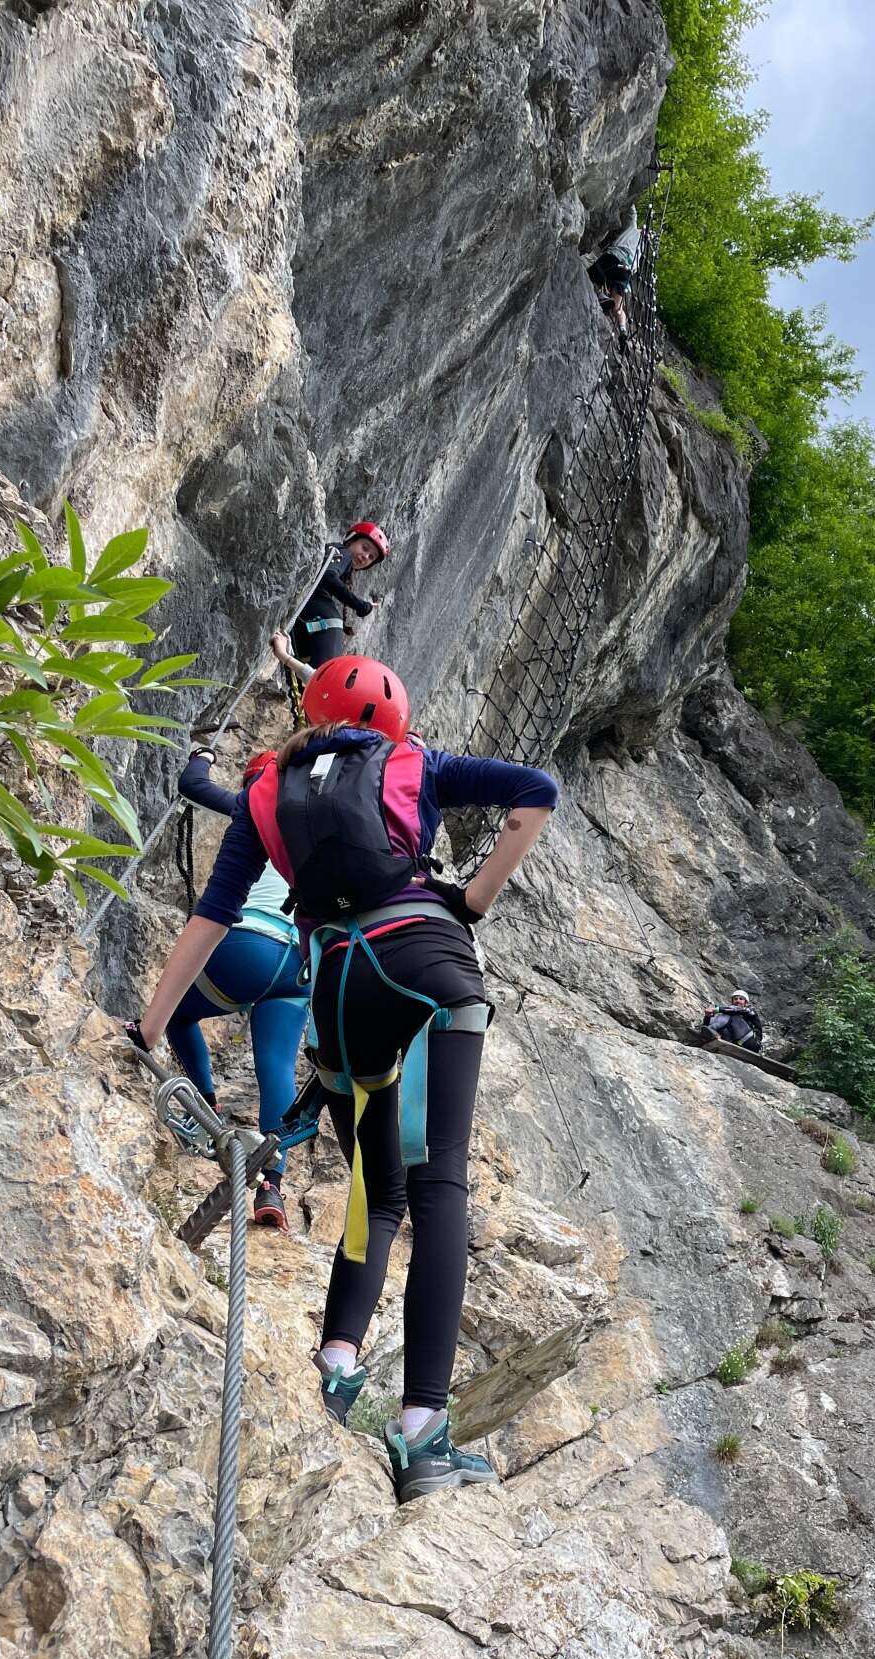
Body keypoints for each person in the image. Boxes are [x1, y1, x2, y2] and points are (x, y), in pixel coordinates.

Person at [129, 654, 558, 1501]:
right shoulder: (414, 761)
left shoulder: (266, 792)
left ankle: (336, 1366)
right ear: (386, 724)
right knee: (439, 1188)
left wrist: (149, 1027)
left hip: (337, 981)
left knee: (376, 1187)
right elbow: (535, 790)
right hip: (426, 962)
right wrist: (471, 899)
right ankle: (423, 1432)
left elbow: (214, 914)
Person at [169, 744, 310, 1231]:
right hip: (299, 962)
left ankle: (202, 1109)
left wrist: (204, 753)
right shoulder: (317, 820)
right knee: (276, 1067)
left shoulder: (254, 805)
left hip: (249, 940)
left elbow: (192, 785)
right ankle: (273, 1183)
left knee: (174, 1014)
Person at [289, 522, 390, 673]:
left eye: (371, 557)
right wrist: (360, 605)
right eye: (365, 548)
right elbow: (328, 576)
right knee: (324, 680)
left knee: (312, 681)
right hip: (319, 622)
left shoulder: (342, 562)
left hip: (306, 622)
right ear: (351, 540)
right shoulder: (343, 552)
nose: (365, 557)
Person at [588, 206, 640, 343]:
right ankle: (623, 330)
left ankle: (601, 294)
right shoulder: (640, 256)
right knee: (618, 307)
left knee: (592, 274)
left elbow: (631, 212)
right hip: (625, 272)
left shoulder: (633, 229)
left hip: (613, 258)